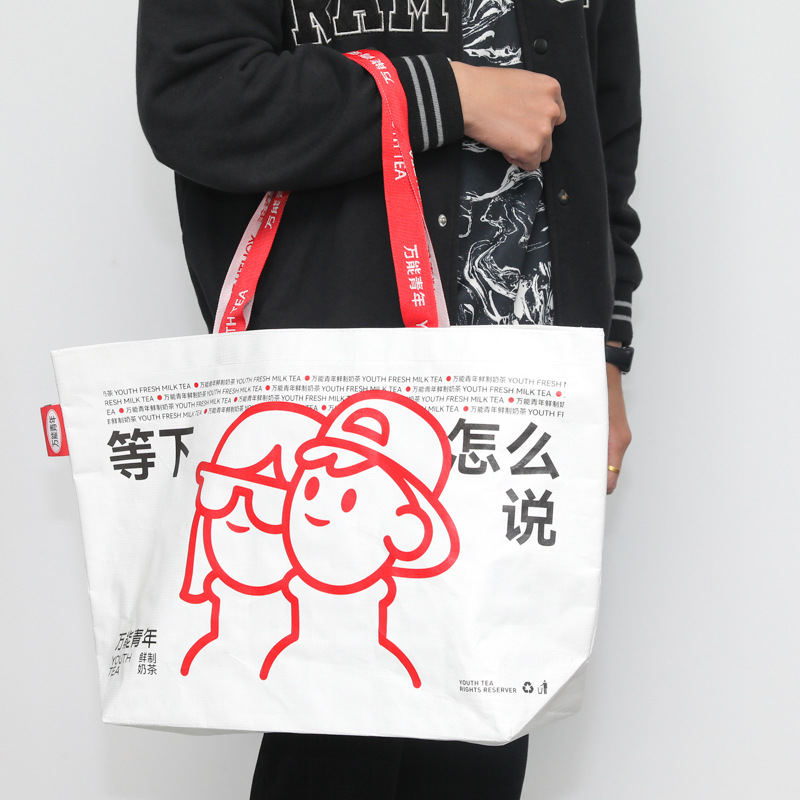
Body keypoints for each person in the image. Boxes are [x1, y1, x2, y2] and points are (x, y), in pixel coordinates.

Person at [136, 1, 641, 797]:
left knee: (484, 724)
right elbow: (193, 97)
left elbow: (603, 134)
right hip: (344, 397)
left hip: (524, 401)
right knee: (341, 722)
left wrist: (605, 355)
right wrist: (448, 96)